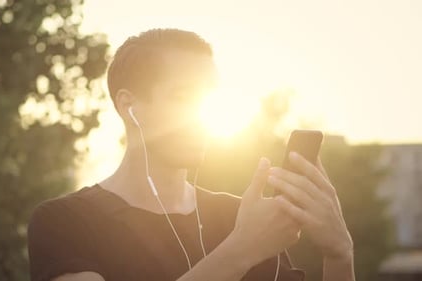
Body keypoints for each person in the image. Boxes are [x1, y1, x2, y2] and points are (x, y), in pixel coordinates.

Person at [27, 28, 355, 281]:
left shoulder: (240, 218)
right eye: (183, 96)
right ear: (129, 106)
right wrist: (240, 251)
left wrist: (339, 255)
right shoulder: (65, 222)